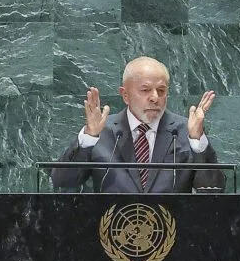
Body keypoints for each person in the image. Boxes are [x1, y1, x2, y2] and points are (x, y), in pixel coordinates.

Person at [50, 56, 226, 194]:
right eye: (145, 90)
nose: (155, 97)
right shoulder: (102, 131)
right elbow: (63, 181)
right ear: (125, 95)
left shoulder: (186, 131)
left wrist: (198, 142)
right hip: (111, 231)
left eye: (161, 90)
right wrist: (88, 138)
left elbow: (213, 189)